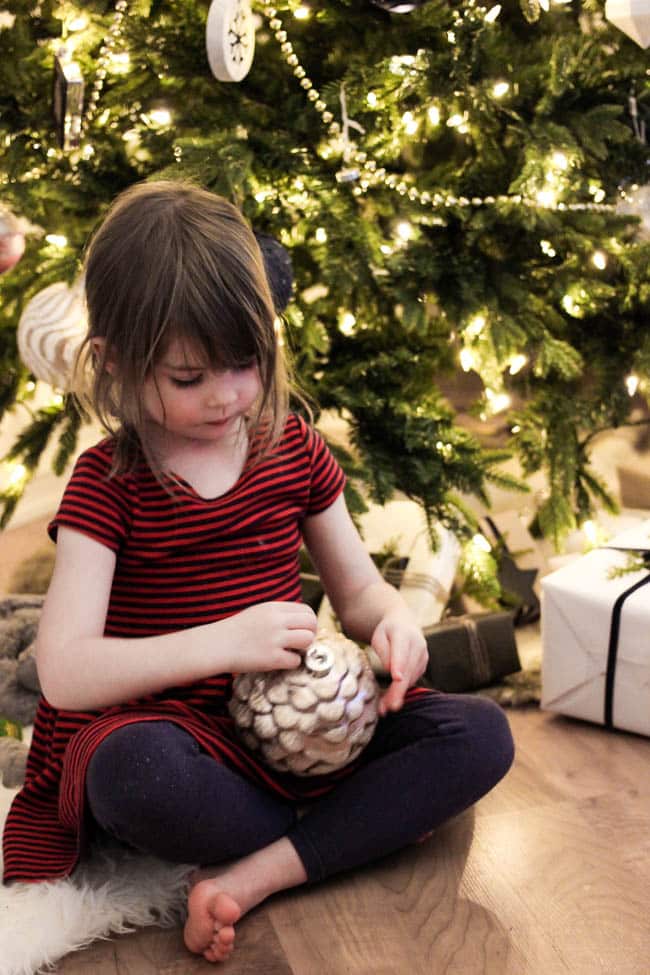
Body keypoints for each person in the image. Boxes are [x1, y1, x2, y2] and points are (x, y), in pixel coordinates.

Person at [2, 181, 514, 964]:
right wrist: (224, 641)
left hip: (296, 727)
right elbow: (65, 671)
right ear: (112, 361)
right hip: (169, 732)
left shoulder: (293, 448)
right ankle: (348, 829)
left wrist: (394, 626)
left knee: (478, 735)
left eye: (246, 363)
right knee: (134, 778)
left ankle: (262, 869)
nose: (227, 396)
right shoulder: (107, 483)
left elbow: (362, 593)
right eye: (188, 378)